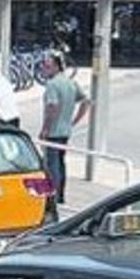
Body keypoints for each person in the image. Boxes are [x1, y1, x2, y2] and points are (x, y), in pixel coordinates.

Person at [40, 54, 90, 204]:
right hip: (65, 130)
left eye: (47, 66)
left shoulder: (52, 85)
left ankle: (53, 196)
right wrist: (74, 121)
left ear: (56, 67)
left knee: (52, 164)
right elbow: (86, 101)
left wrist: (45, 129)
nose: (44, 69)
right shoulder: (70, 83)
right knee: (61, 163)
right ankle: (61, 194)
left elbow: (52, 106)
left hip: (54, 131)